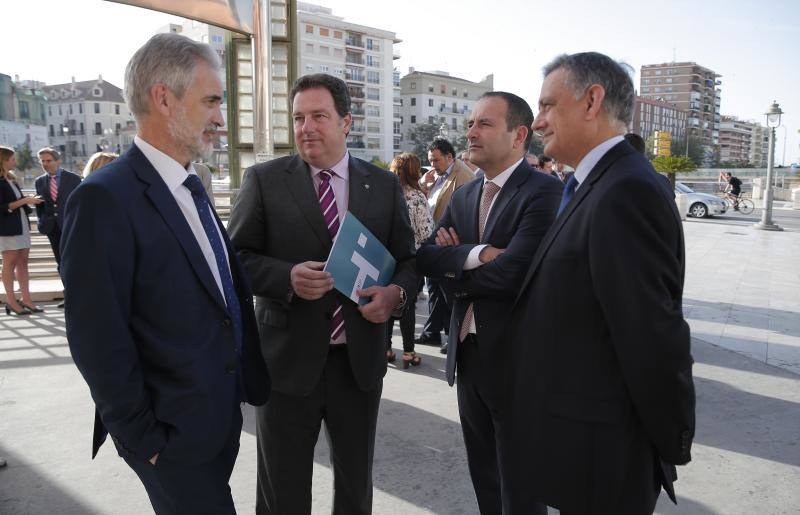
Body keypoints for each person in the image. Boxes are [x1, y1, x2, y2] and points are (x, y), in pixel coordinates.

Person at [60, 33, 271, 514]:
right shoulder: (105, 198)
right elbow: (96, 336)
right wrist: (144, 439)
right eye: (212, 100)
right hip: (169, 437)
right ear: (163, 98)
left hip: (216, 417)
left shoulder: (189, 185)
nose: (221, 116)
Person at [503, 52, 695, 515]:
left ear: (592, 101)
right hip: (582, 447)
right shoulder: (595, 184)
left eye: (548, 105)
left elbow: (651, 336)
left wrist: (669, 443)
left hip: (606, 456)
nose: (539, 120)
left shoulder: (624, 191)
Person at [227, 73, 417, 515]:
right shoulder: (264, 180)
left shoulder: (382, 185)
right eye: (298, 118)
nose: (306, 127)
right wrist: (285, 277)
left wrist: (395, 296)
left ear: (346, 121)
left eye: (318, 116)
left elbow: (409, 261)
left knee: (355, 486)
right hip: (287, 365)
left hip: (358, 364)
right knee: (283, 490)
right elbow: (235, 261)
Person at [417, 92, 562, 515]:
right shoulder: (464, 195)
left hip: (521, 362)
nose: (471, 132)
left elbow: (515, 274)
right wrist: (479, 254)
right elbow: (426, 256)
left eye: (484, 124)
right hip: (468, 357)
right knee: (484, 473)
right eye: (470, 123)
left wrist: (455, 260)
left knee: (521, 487)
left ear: (520, 135)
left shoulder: (543, 193)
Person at [416, 138, 475, 353]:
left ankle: (452, 336)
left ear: (450, 157)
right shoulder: (435, 177)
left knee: (448, 293)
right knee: (434, 289)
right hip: (434, 242)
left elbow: (465, 214)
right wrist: (424, 186)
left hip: (449, 244)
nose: (432, 164)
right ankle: (433, 332)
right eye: (430, 160)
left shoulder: (464, 176)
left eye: (436, 160)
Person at [385, 152, 434, 369]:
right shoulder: (416, 197)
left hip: (386, 257)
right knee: (407, 305)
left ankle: (386, 348)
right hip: (411, 259)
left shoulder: (384, 194)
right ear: (415, 172)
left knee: (387, 302)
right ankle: (408, 352)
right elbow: (425, 232)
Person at [0, 146, 44, 315]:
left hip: (21, 224)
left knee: (23, 262)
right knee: (9, 262)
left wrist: (27, 201)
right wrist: (25, 200)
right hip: (8, 227)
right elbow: (3, 207)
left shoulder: (11, 178)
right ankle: (11, 301)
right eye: (12, 159)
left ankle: (26, 299)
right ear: (3, 160)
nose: (15, 161)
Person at [35, 147, 81, 308]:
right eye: (43, 161)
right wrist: (42, 221)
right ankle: (67, 294)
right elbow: (40, 205)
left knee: (75, 260)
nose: (45, 164)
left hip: (71, 225)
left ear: (58, 161)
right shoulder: (39, 182)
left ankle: (79, 294)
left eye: (49, 160)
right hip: (52, 228)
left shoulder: (74, 179)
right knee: (60, 261)